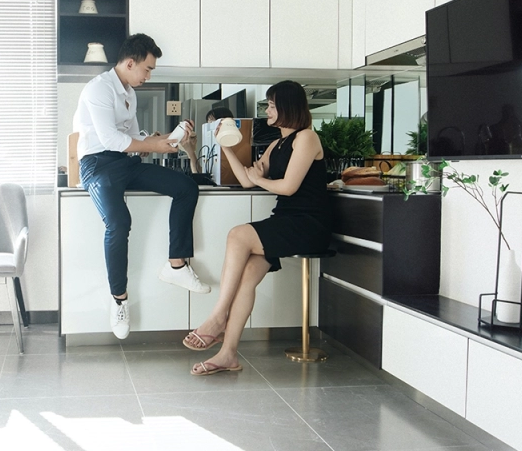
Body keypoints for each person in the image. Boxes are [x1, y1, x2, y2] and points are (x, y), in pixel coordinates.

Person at [181, 80, 332, 375]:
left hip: (309, 223)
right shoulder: (277, 144)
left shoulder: (307, 139)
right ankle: (228, 355)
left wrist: (261, 179)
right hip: (285, 221)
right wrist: (226, 148)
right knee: (248, 276)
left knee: (238, 234)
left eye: (273, 105)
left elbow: (288, 187)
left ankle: (218, 316)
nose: (268, 110)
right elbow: (248, 179)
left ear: (289, 106)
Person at [73, 33, 211, 340]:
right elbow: (109, 140)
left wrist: (159, 141)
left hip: (125, 164)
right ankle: (119, 300)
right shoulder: (98, 89)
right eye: (147, 69)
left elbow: (133, 138)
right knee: (119, 222)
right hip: (96, 164)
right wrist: (153, 145)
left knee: (186, 186)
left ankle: (176, 265)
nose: (148, 76)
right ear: (130, 62)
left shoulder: (130, 93)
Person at [181, 107, 234, 174]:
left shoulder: (230, 147)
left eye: (213, 124)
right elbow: (202, 175)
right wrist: (190, 151)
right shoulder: (212, 147)